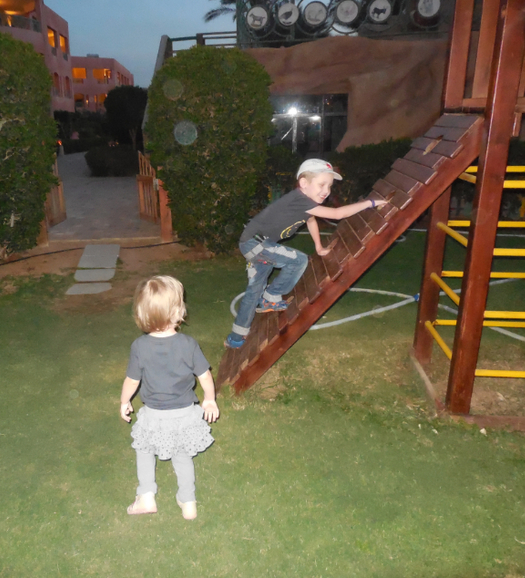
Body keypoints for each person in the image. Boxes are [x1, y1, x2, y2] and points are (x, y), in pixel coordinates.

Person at [225, 158, 389, 348]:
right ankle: (271, 296)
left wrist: (318, 246)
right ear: (304, 183)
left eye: (329, 186)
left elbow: (310, 220)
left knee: (254, 291)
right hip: (256, 244)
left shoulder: (305, 203)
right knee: (298, 260)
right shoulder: (299, 199)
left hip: (255, 244)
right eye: (321, 184)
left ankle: (236, 336)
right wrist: (369, 202)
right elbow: (337, 214)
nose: (326, 190)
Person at [120, 275, 219, 520]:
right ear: (177, 312)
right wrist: (209, 399)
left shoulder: (139, 346)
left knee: (144, 451)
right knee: (182, 456)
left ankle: (146, 496)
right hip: (185, 414)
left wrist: (124, 401)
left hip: (154, 414)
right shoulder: (188, 344)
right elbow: (205, 375)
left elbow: (132, 380)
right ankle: (188, 502)